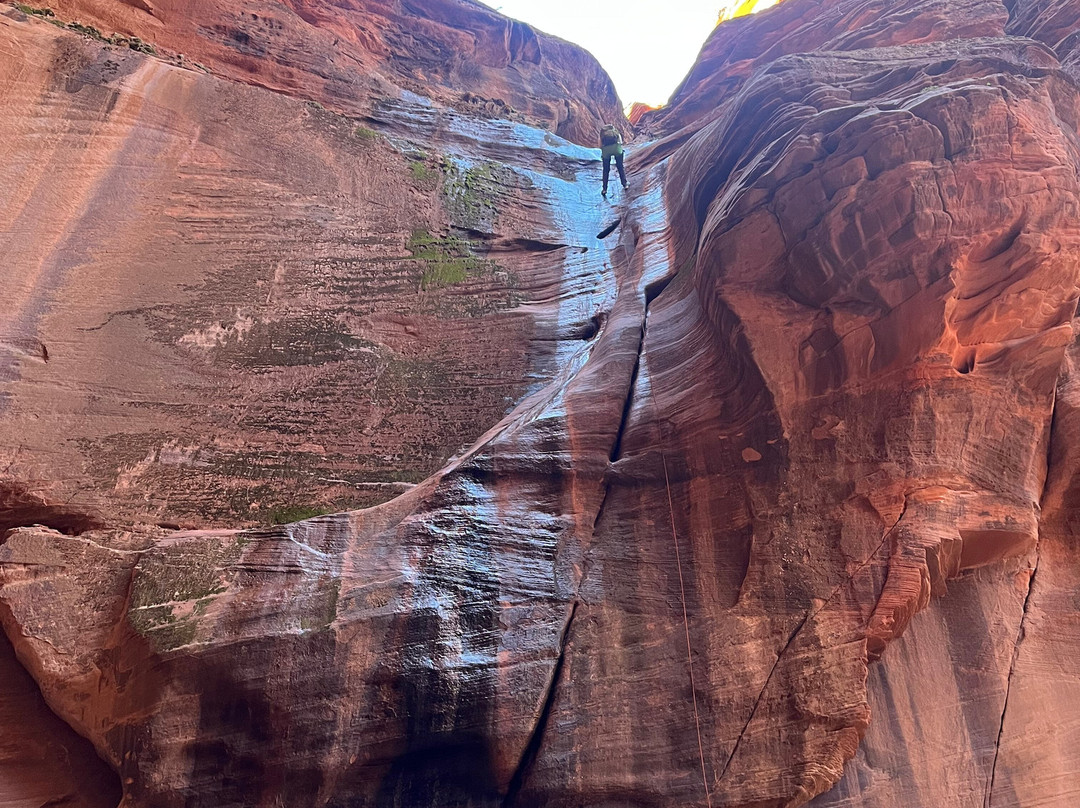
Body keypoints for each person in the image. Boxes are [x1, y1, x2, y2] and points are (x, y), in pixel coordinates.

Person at [599, 124, 628, 196]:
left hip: (606, 151)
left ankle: (604, 189)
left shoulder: (602, 134)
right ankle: (625, 184)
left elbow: (599, 145)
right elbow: (620, 142)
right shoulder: (615, 132)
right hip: (617, 149)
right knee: (620, 167)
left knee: (605, 170)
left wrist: (605, 149)